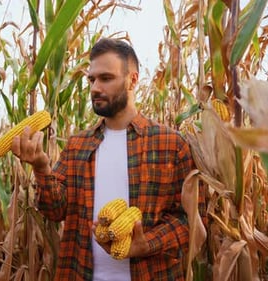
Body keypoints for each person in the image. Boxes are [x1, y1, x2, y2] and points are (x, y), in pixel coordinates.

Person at [11, 38, 206, 281]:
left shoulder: (171, 144)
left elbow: (192, 218)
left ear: (132, 80)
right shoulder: (77, 145)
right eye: (91, 79)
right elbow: (55, 210)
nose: (94, 88)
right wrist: (41, 167)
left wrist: (148, 244)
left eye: (106, 78)